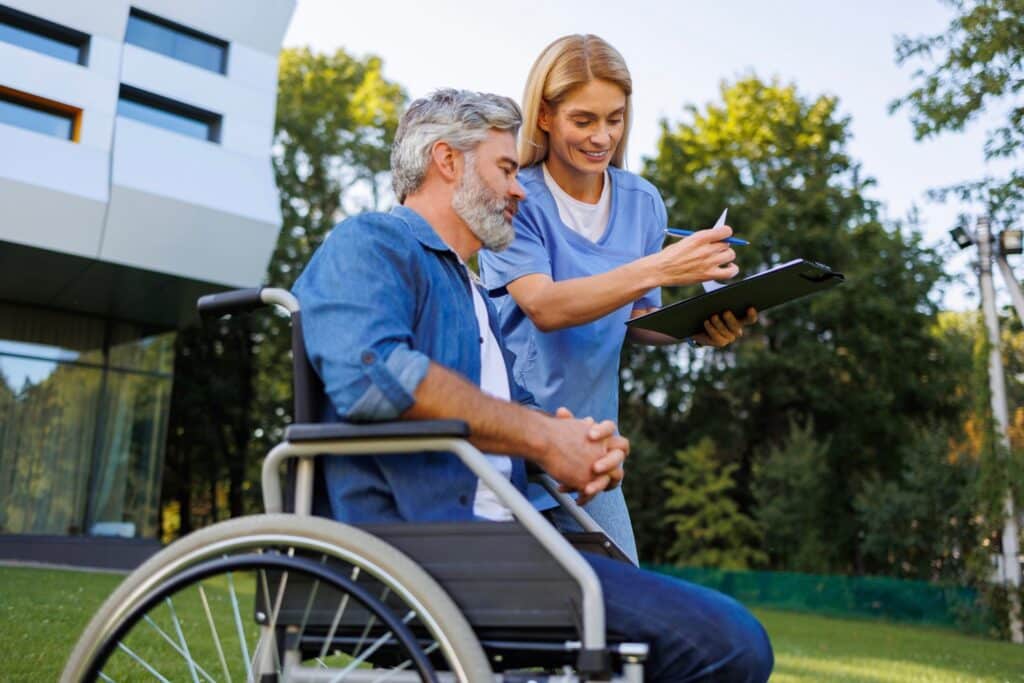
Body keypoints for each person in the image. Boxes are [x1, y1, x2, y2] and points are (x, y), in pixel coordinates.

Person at [292, 88, 772, 682]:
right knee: (729, 643)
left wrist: (579, 446)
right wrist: (541, 438)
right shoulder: (371, 244)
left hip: (501, 545)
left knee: (719, 636)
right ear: (447, 161)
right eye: (505, 169)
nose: (520, 189)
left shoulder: (472, 296)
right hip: (420, 552)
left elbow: (513, 412)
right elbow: (376, 375)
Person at [479, 35, 758, 563]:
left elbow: (637, 317)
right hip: (511, 435)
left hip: (589, 439)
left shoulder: (641, 202)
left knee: (622, 596)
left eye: (615, 118)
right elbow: (545, 306)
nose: (601, 136)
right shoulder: (516, 198)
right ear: (544, 116)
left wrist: (694, 328)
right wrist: (661, 266)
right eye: (583, 121)